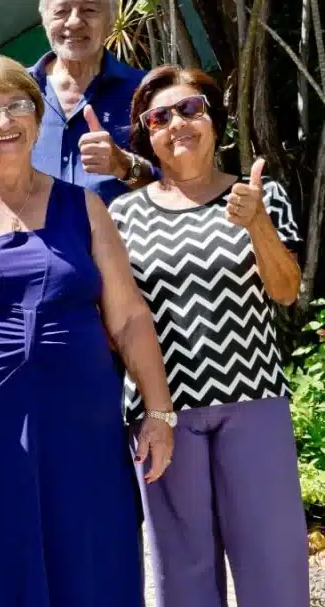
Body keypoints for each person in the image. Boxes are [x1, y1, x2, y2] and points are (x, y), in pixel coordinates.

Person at [0, 55, 175, 607]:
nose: (5, 121)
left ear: (39, 116)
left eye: (18, 105)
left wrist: (159, 410)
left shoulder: (86, 207)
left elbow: (127, 316)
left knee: (87, 548)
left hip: (80, 423)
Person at [109, 65, 309, 607]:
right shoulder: (121, 215)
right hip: (162, 412)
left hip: (254, 403)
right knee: (183, 572)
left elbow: (287, 290)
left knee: (274, 566)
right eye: (160, 117)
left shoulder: (257, 196)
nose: (178, 123)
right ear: (147, 136)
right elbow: (116, 320)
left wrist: (258, 225)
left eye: (190, 110)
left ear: (214, 120)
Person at [0, 0, 156, 204]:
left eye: (89, 10)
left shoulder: (146, 93)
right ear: (44, 19)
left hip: (116, 238)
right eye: (61, 11)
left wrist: (125, 166)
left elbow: (177, 185)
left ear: (112, 19)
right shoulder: (8, 91)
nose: (74, 22)